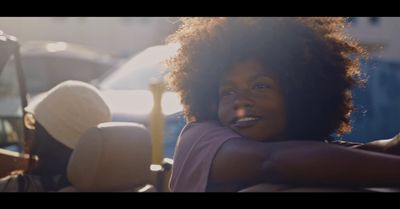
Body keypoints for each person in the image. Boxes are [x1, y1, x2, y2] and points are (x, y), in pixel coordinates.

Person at [166, 17, 400, 192]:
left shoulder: (296, 144)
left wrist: (391, 146)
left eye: (260, 86)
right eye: (227, 92)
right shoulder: (201, 139)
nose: (240, 100)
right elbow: (272, 161)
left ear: (299, 94)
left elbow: (367, 152)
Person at [1, 80, 111, 192]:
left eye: (34, 124)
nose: (32, 131)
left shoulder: (18, 187)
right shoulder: (119, 182)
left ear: (45, 137)